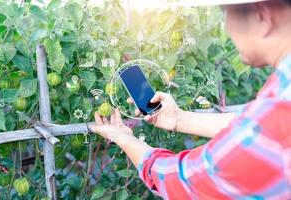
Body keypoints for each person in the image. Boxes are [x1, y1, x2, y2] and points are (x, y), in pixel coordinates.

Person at [89, 0, 291, 199]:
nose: (227, 28)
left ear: (261, 16)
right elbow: (255, 123)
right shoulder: (281, 95)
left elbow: (183, 182)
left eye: (225, 13)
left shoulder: (276, 111)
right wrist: (180, 119)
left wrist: (124, 138)